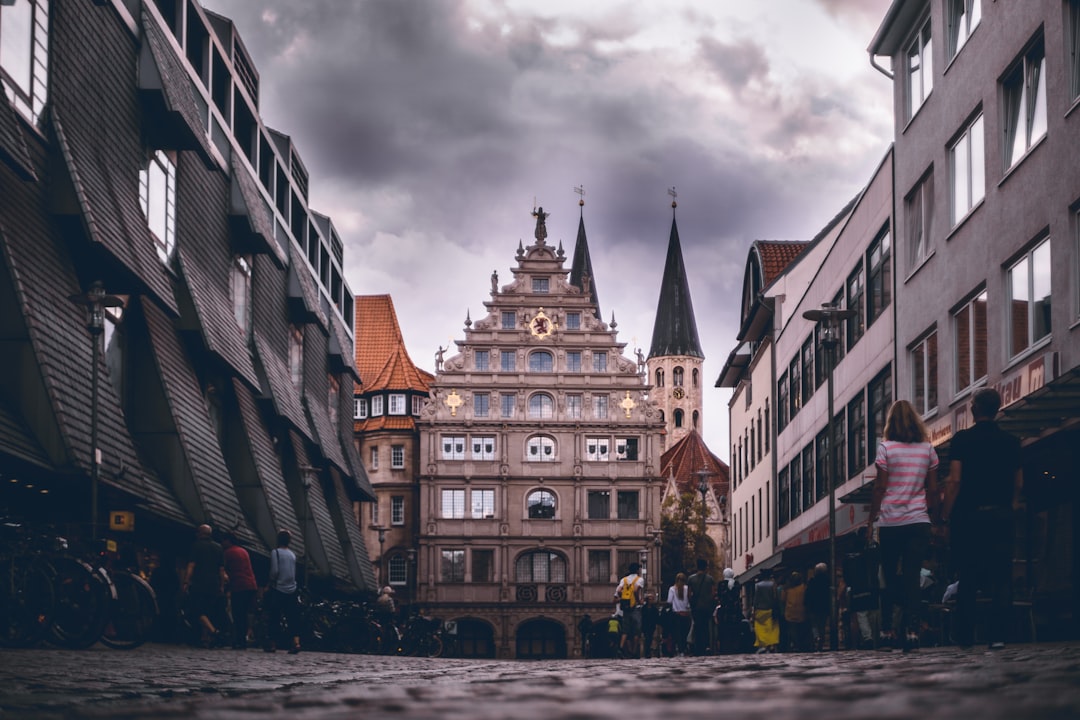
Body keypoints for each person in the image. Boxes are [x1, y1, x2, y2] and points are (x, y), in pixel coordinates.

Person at [943, 387, 1023, 650]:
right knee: (1001, 576)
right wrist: (1010, 507)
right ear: (997, 409)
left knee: (968, 576)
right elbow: (1018, 482)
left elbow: (955, 479)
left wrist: (945, 516)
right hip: (1001, 516)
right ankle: (998, 635)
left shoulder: (962, 440)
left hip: (970, 519)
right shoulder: (1011, 442)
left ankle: (965, 636)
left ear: (974, 409)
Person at [870, 399, 940, 653]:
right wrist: (934, 516)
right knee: (912, 577)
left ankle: (887, 630)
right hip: (918, 521)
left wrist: (871, 521)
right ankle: (912, 630)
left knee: (889, 576)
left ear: (890, 423)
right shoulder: (928, 450)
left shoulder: (885, 448)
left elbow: (880, 486)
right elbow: (933, 489)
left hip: (891, 522)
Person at [183, 524, 226, 648]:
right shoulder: (219, 548)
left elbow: (191, 565)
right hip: (214, 584)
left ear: (200, 534)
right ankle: (205, 638)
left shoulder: (196, 546)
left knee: (197, 611)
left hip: (199, 583)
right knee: (207, 612)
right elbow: (221, 570)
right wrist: (222, 585)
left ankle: (214, 632)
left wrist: (186, 581)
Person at [843, 526, 882, 649]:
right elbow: (878, 562)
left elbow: (846, 573)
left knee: (861, 615)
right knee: (873, 613)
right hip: (872, 586)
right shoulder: (871, 548)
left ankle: (867, 638)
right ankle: (875, 638)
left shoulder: (849, 553)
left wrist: (850, 583)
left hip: (857, 588)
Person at [264, 529, 301, 654]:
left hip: (278, 588)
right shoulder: (292, 555)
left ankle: (273, 644)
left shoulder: (276, 552)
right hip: (292, 589)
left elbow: (274, 571)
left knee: (275, 616)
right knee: (292, 617)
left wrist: (270, 582)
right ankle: (296, 642)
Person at [221, 532, 257, 650]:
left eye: (224, 540)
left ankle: (239, 640)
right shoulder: (243, 551)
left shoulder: (228, 552)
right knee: (245, 613)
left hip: (239, 586)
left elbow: (224, 569)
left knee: (238, 614)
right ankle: (244, 639)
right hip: (251, 585)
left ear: (228, 541)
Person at [614, 562, 645, 658]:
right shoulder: (639, 579)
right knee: (636, 630)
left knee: (625, 630)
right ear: (637, 570)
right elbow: (636, 590)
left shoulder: (624, 579)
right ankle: (634, 652)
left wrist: (623, 599)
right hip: (635, 608)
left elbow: (619, 590)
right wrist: (638, 600)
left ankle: (621, 647)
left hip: (626, 607)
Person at [687, 558, 715, 655]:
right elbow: (713, 593)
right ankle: (706, 645)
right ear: (705, 567)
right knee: (706, 627)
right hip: (707, 607)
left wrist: (691, 604)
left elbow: (689, 594)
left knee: (697, 627)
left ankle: (698, 647)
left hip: (696, 607)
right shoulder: (710, 579)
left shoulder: (691, 579)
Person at [714, 568, 744, 654]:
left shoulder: (721, 584)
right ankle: (735, 647)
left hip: (725, 612)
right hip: (735, 611)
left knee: (724, 630)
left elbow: (719, 596)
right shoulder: (736, 584)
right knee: (735, 630)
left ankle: (725, 648)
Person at [752, 569, 780, 653]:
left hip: (760, 610)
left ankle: (764, 644)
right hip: (771, 609)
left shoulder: (758, 585)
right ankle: (772, 644)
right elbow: (776, 597)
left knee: (761, 628)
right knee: (772, 627)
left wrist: (754, 609)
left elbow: (756, 599)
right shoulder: (773, 585)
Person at [804, 563, 831, 652]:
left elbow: (807, 594)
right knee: (822, 625)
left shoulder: (812, 581)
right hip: (824, 606)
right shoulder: (828, 581)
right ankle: (820, 643)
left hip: (813, 606)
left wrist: (806, 605)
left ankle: (816, 637)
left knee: (814, 624)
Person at [782, 571, 808, 652]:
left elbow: (782, 599)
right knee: (801, 629)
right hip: (801, 611)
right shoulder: (804, 587)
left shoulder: (786, 589)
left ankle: (795, 644)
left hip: (790, 611)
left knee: (792, 630)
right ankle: (800, 645)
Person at [666, 572, 691, 656]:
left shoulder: (672, 589)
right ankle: (684, 648)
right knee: (685, 633)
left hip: (676, 614)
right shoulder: (687, 588)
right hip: (686, 614)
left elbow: (669, 601)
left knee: (678, 633)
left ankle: (680, 650)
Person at [641, 593, 660, 658]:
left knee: (650, 638)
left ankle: (648, 651)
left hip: (652, 625)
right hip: (645, 625)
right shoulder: (644, 608)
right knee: (647, 638)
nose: (651, 600)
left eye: (652, 599)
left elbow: (656, 617)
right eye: (650, 599)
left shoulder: (654, 609)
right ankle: (647, 652)